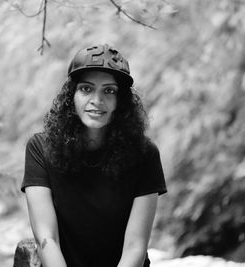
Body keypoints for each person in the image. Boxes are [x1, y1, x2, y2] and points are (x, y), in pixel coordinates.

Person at [21, 44, 167, 267]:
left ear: (121, 101)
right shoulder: (40, 148)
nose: (97, 100)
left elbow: (135, 247)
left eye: (109, 91)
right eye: (86, 89)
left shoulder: (145, 154)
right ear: (72, 95)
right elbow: (47, 238)